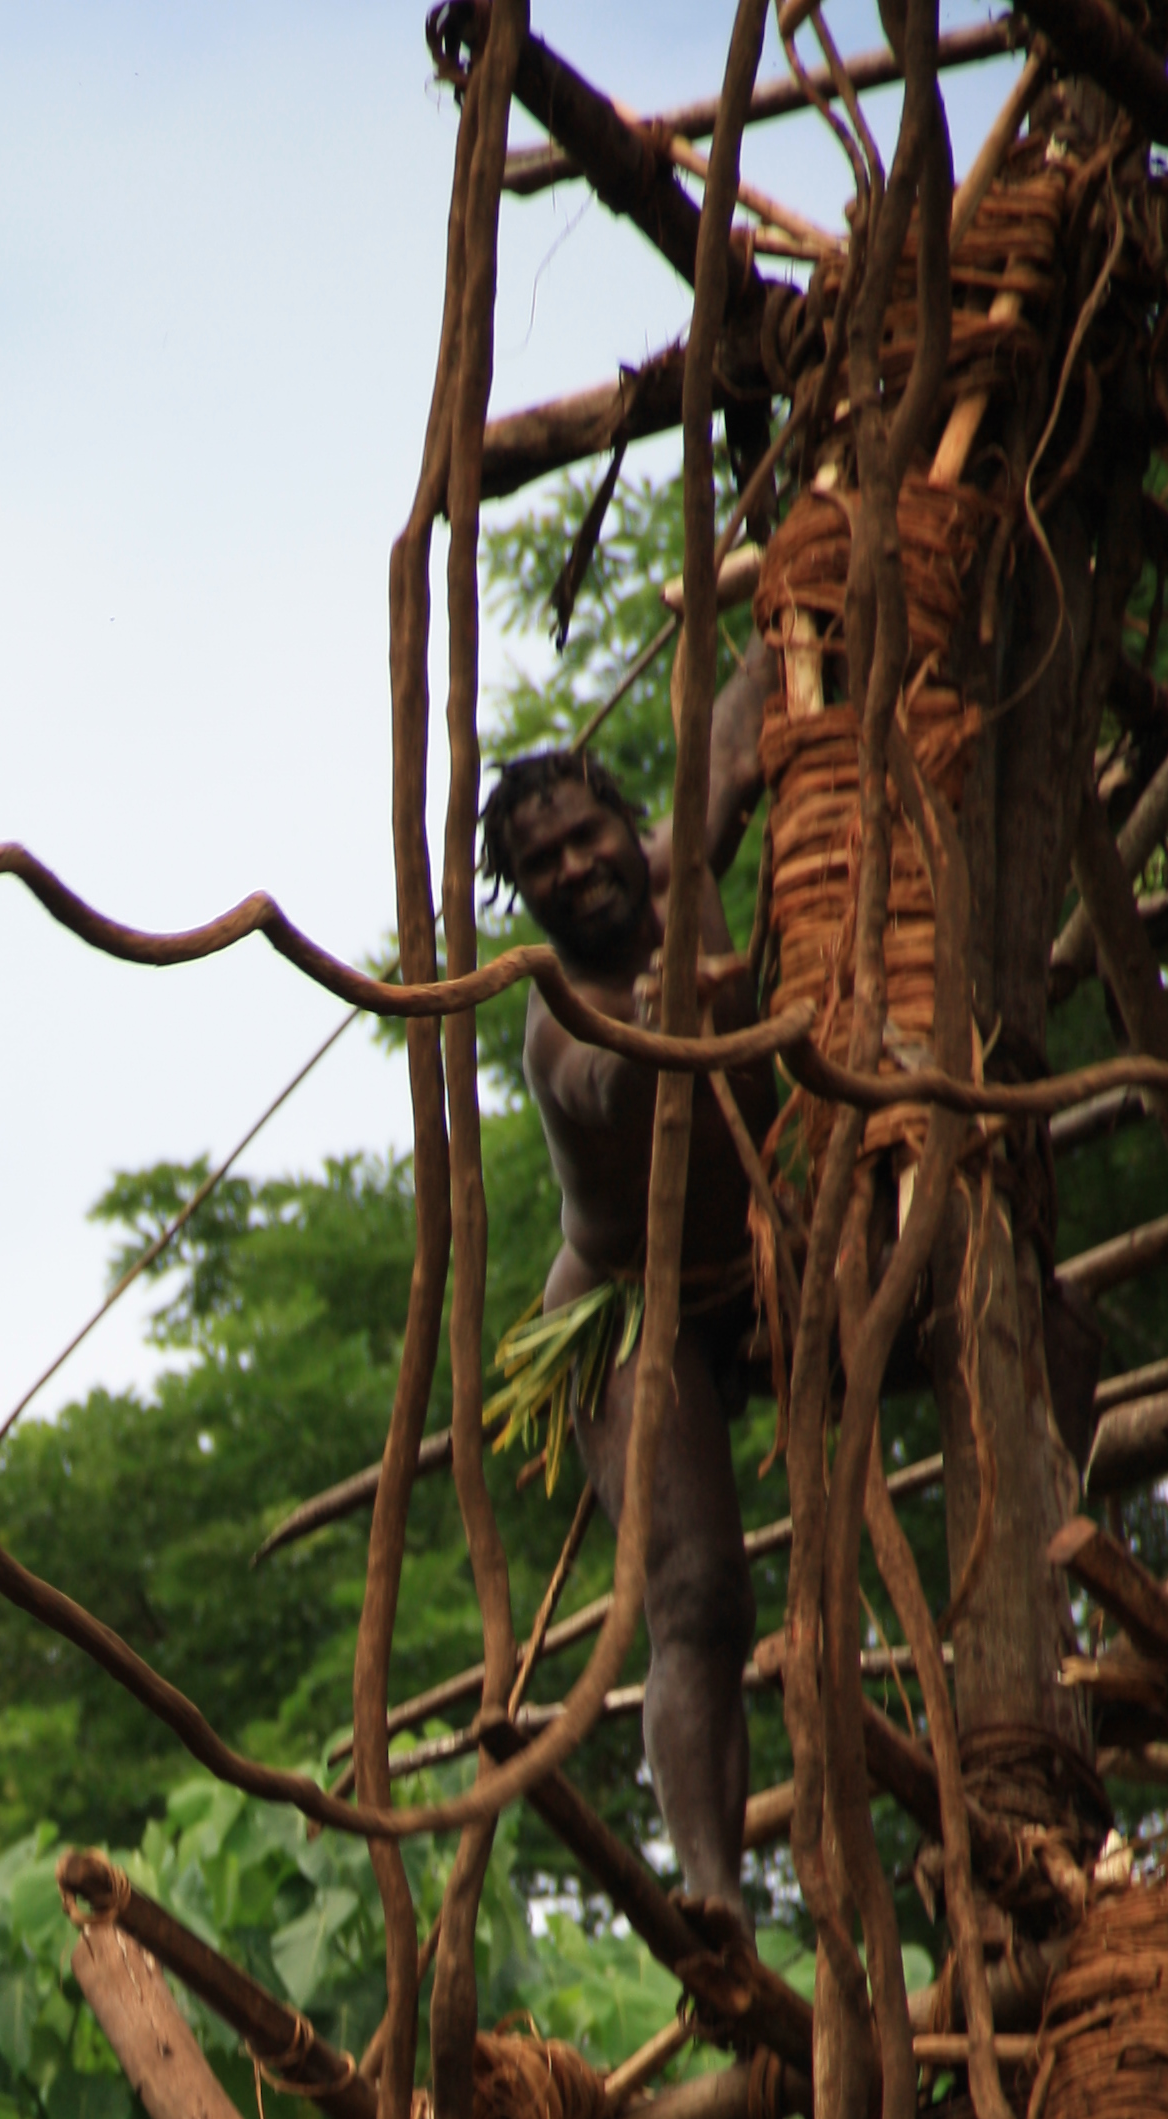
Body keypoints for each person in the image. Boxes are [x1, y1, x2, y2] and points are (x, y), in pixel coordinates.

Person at [480, 638, 776, 1921]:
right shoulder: (560, 1017)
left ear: (624, 826)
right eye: (540, 866)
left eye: (587, 837)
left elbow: (735, 727)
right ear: (520, 898)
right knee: (700, 1597)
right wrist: (662, 1020)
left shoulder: (683, 859)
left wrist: (801, 565)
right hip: (626, 1313)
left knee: (1032, 1316)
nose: (575, 868)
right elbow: (609, 1080)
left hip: (773, 1259)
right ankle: (713, 1895)